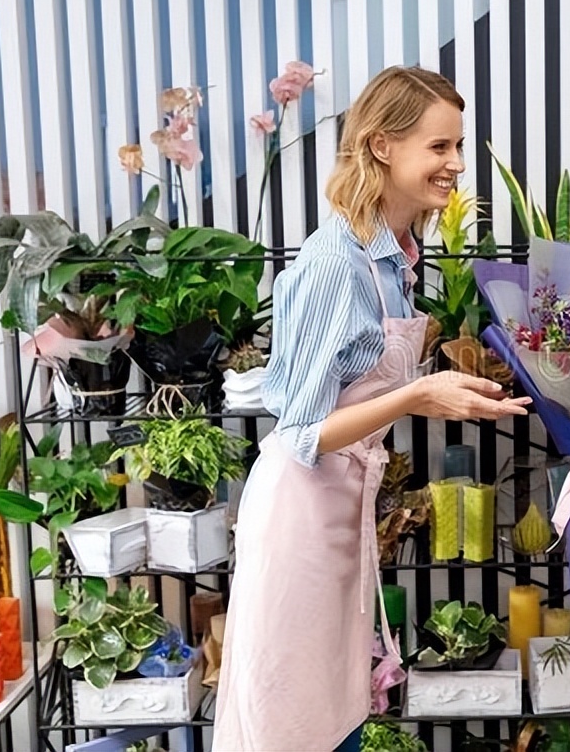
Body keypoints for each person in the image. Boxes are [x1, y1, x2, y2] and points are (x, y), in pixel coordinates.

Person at [213, 66, 530, 752]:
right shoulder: (338, 265)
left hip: (339, 516)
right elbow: (299, 430)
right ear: (383, 146)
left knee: (337, 717)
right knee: (293, 726)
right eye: (438, 147)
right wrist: (419, 394)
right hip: (299, 518)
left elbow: (358, 384)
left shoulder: (391, 259)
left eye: (457, 147)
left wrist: (449, 390)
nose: (453, 165)